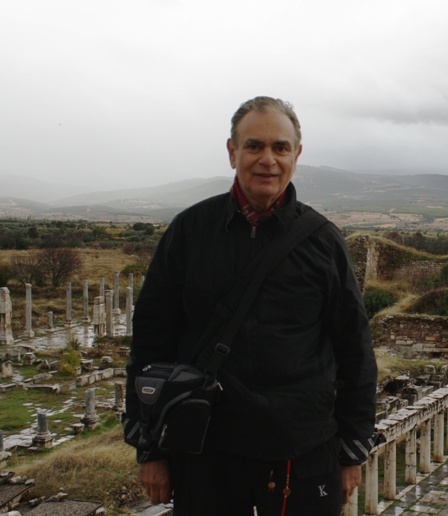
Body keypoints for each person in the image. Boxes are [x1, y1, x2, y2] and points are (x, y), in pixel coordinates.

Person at [124, 96, 378, 515]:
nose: (267, 160)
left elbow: (355, 350)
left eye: (280, 148)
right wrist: (149, 449)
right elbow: (150, 343)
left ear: (296, 155)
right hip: (207, 446)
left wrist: (352, 450)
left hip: (302, 446)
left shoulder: (323, 241)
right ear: (232, 152)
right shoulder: (190, 231)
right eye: (254, 146)